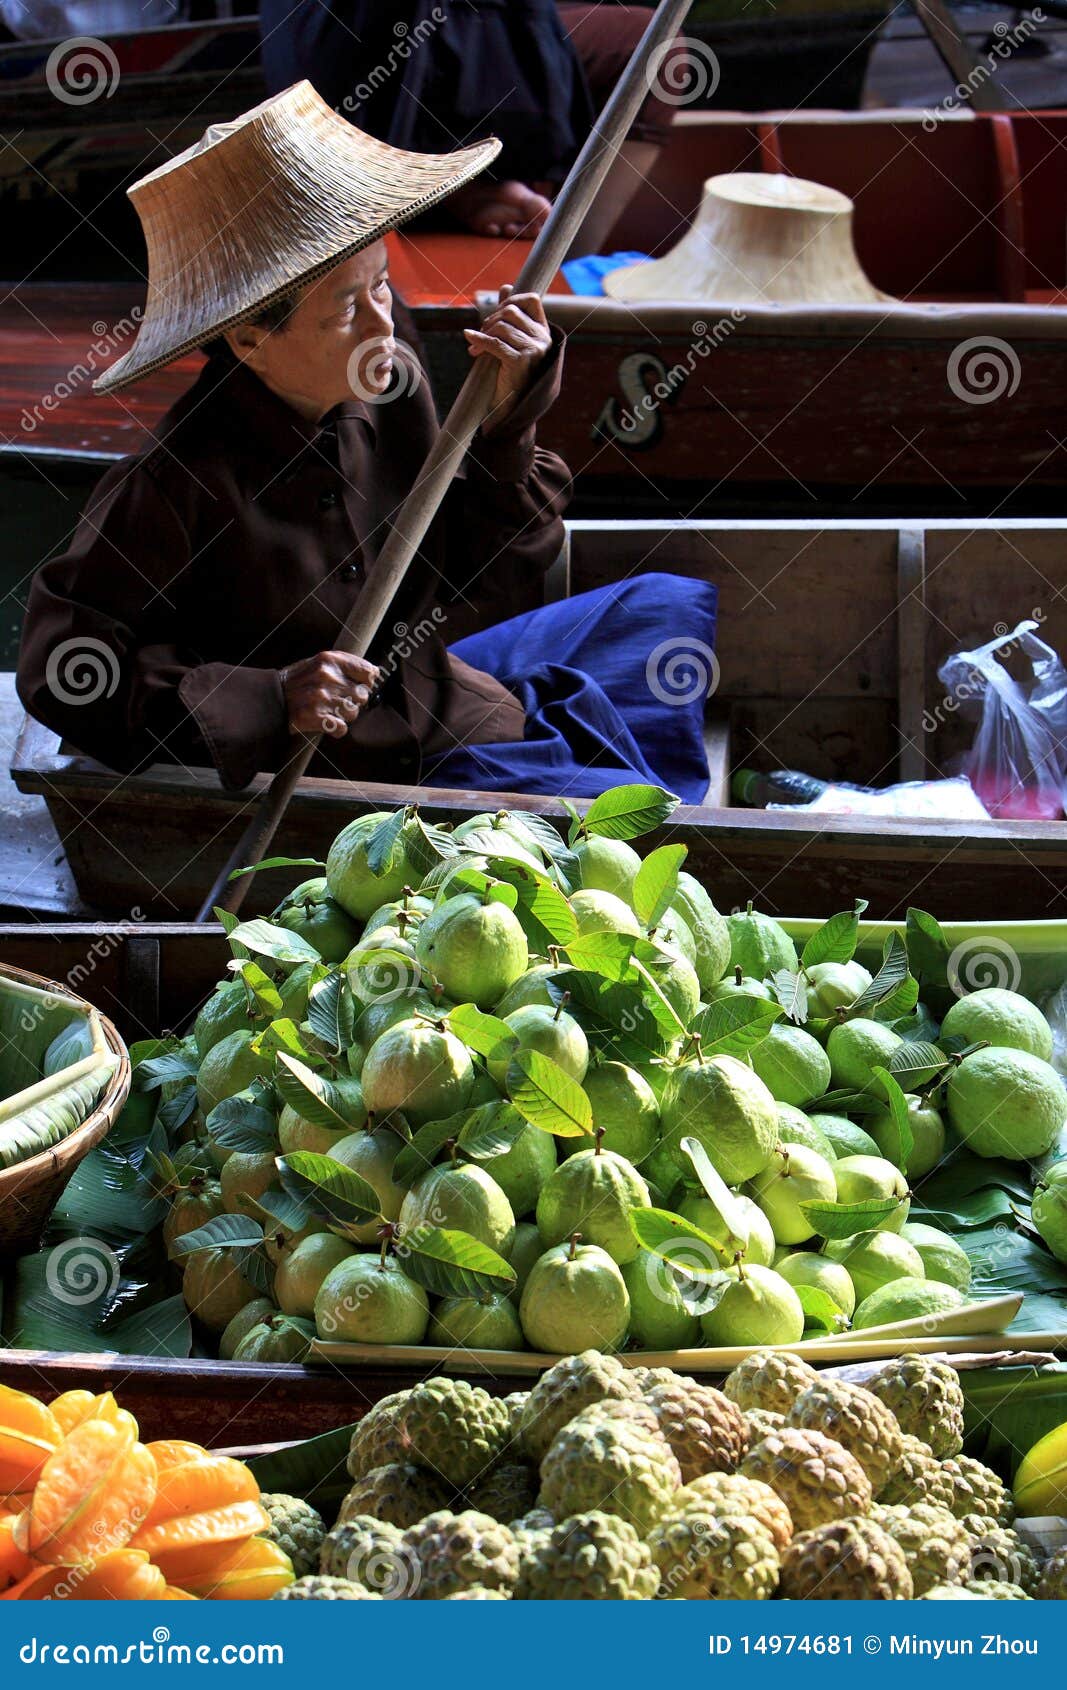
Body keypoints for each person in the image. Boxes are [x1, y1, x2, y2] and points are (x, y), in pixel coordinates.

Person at [18, 83, 716, 806]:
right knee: (632, 813)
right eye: (347, 309)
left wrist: (508, 421)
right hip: (355, 769)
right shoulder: (172, 482)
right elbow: (66, 671)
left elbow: (495, 573)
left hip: (436, 686)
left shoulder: (388, 376)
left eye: (381, 288)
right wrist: (272, 697)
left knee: (664, 607)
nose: (380, 327)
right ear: (250, 337)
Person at [259, 1, 677, 250]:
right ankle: (449, 185)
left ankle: (554, 264)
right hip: (341, 57)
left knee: (649, 46)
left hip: (417, 44)